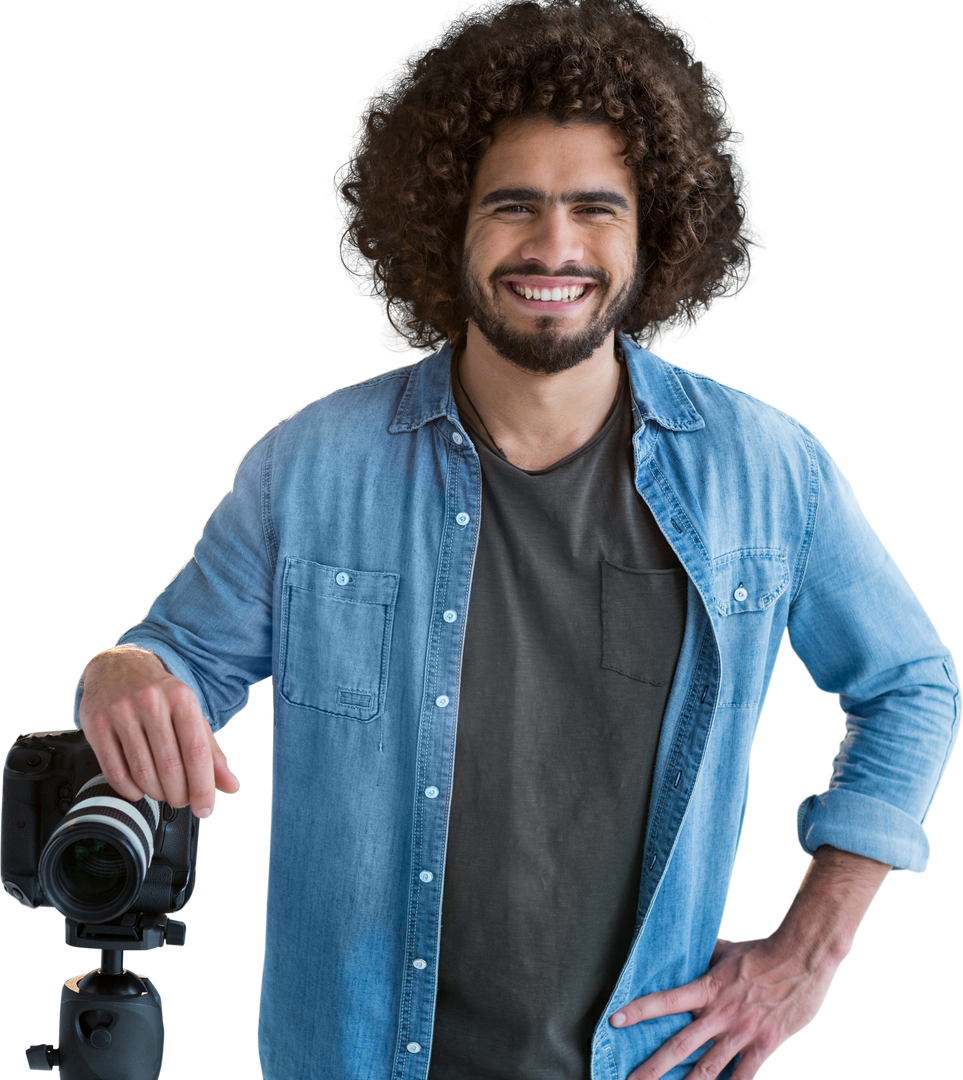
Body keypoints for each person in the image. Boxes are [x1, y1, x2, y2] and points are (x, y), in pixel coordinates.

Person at [71, 2, 959, 1078]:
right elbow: (179, 671)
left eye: (596, 209)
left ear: (654, 232)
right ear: (449, 222)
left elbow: (912, 682)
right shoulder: (309, 466)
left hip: (644, 1063)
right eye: (514, 207)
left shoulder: (767, 471)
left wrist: (811, 951)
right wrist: (118, 671)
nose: (554, 247)